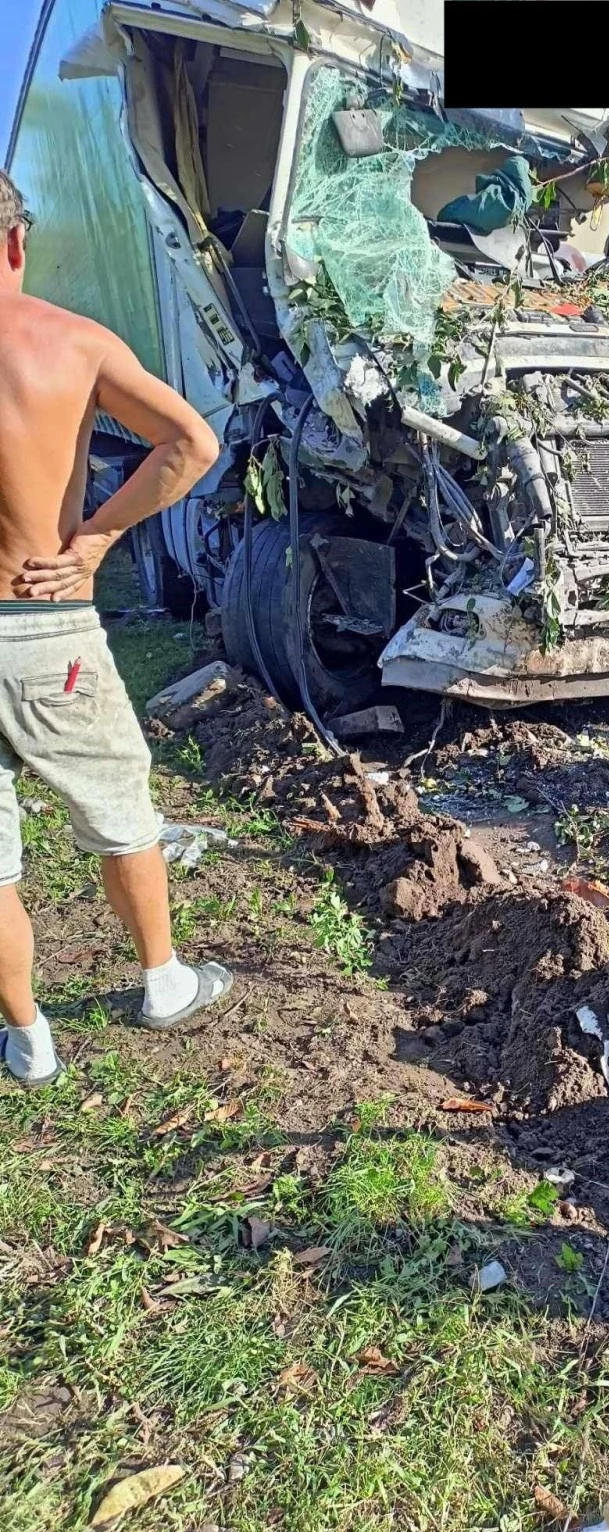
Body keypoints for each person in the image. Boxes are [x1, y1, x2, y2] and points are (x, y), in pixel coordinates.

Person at [0, 168, 231, 1088]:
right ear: (16, 240)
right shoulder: (71, 344)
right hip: (44, 625)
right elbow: (193, 445)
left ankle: (26, 1036)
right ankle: (163, 983)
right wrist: (96, 538)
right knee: (121, 811)